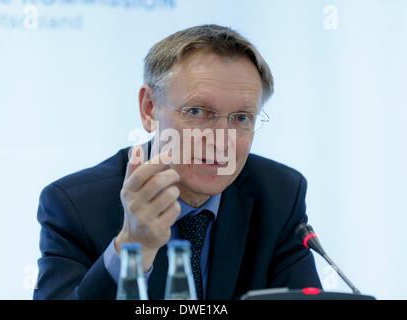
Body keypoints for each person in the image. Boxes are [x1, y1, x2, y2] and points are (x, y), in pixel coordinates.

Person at [33, 24, 322, 300]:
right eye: (197, 111)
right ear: (149, 110)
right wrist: (132, 248)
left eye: (241, 118)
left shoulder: (279, 196)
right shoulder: (76, 206)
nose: (222, 140)